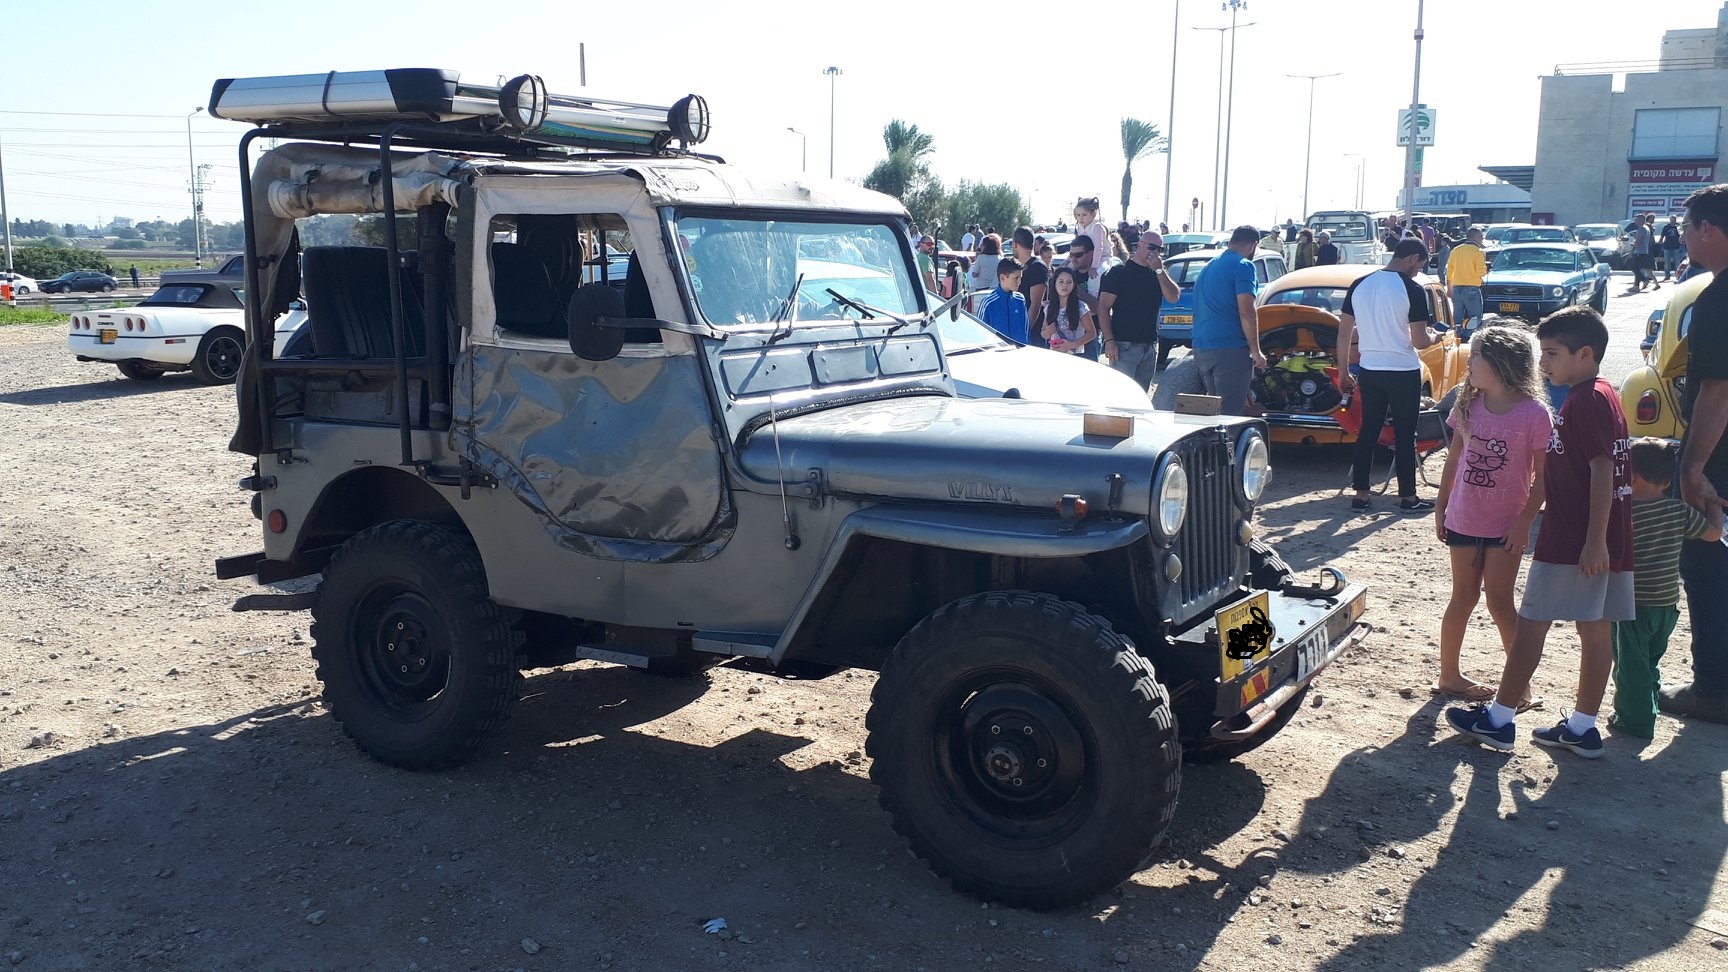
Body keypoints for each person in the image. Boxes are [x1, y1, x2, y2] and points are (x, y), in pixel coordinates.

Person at [1445, 307, 1633, 758]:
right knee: (1594, 629)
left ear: (1584, 354)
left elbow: (1602, 469)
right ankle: (1582, 728)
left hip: (1574, 539)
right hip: (1598, 538)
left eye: (1551, 353)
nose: (1543, 363)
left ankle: (1498, 720)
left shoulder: (1585, 401)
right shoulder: (1605, 393)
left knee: (1530, 624)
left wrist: (1593, 540)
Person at [1432, 326, 1554, 702]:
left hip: (1506, 528)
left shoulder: (1535, 414)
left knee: (1500, 603)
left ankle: (1519, 686)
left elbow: (1544, 480)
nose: (1469, 361)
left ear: (1501, 363)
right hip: (1464, 519)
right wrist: (1441, 506)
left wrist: (1524, 523)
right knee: (1462, 597)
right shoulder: (1468, 405)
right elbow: (1454, 458)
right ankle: (1449, 676)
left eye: (1476, 355)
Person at [1662, 183, 1728, 724]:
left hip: (1720, 459)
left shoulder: (1720, 298)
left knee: (1707, 565)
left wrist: (1692, 467)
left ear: (1708, 228)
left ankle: (1713, 689)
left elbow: (1718, 389)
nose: (1683, 237)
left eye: (1687, 227)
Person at [1613, 439, 1724, 737]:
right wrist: (1714, 505)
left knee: (1630, 665)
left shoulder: (1623, 513)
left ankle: (1634, 721)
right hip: (1666, 605)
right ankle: (1649, 703)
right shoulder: (1678, 511)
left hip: (1633, 603)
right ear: (1668, 480)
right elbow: (1714, 534)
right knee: (1650, 660)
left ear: (1632, 476)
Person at [1336, 239, 1439, 512]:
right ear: (1413, 258)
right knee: (1405, 435)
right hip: (1403, 370)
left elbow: (1344, 333)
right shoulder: (1412, 289)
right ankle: (1408, 497)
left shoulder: (1359, 284)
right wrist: (1435, 337)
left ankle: (1361, 494)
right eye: (1420, 265)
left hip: (1370, 369)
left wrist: (1343, 370)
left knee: (1368, 431)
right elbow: (1419, 341)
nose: (1418, 271)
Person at [1190, 226, 1268, 415]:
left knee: (1213, 413)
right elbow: (1247, 311)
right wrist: (1256, 351)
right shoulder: (1243, 266)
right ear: (1253, 245)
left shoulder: (1209, 266)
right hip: (1229, 350)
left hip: (1202, 348)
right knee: (1230, 415)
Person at [1098, 232, 1181, 391]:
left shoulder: (1157, 274)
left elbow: (1174, 297)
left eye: (1160, 249)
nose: (1155, 252)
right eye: (1152, 247)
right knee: (1121, 395)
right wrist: (1109, 341)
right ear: (1140, 245)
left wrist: (1160, 270)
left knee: (1142, 395)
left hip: (1149, 345)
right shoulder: (1119, 272)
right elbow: (1103, 308)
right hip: (1124, 345)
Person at [1041, 266, 1097, 355]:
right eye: (1061, 282)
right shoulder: (1049, 308)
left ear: (1074, 285)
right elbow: (1043, 332)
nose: (1065, 285)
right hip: (1055, 354)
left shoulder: (1081, 307)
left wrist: (1071, 345)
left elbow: (1092, 333)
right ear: (1054, 284)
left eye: (1069, 282)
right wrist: (1047, 332)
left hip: (1076, 355)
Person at [1445, 226, 1488, 341]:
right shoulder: (1478, 252)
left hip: (1456, 288)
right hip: (1472, 288)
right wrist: (1486, 268)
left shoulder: (1456, 250)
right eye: (1480, 236)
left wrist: (1449, 288)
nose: (1482, 238)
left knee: (1457, 315)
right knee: (1475, 316)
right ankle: (1467, 335)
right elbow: (1481, 272)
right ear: (1475, 237)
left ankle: (1457, 334)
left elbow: (1449, 271)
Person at [975, 256, 1028, 343]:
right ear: (1002, 278)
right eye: (1016, 278)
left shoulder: (1020, 300)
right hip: (997, 351)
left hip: (1019, 350)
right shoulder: (988, 303)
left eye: (1020, 278)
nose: (1019, 282)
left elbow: (1026, 330)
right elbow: (980, 333)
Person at [1010, 227, 1048, 336]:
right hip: (1015, 326)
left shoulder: (1037, 267)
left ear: (1015, 244)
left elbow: (1035, 305)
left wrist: (1024, 332)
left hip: (1032, 333)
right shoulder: (1017, 267)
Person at [1073, 197, 1111, 275]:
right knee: (1066, 270)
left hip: (1102, 258)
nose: (1081, 218)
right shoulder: (1080, 228)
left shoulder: (1097, 227)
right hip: (1087, 257)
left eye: (1084, 214)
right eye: (1078, 215)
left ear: (1093, 214)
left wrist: (1094, 267)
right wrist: (1067, 261)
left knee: (1095, 277)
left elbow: (1098, 248)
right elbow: (1076, 247)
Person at [1628, 213, 1658, 293]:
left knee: (1634, 268)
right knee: (1638, 269)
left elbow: (1639, 241)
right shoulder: (1646, 228)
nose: (1635, 221)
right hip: (1644, 251)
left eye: (1636, 219)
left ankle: (1644, 280)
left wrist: (1632, 249)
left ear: (1641, 220)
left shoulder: (1641, 229)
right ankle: (1636, 286)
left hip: (1639, 251)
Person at [967, 233, 1002, 299]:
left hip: (981, 288)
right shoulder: (999, 259)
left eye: (982, 245)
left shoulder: (980, 258)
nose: (981, 246)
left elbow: (975, 274)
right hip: (995, 288)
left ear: (986, 246)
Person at [1659, 214, 1683, 281]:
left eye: (1674, 219)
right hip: (1667, 247)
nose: (1673, 220)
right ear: (1670, 220)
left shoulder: (1678, 227)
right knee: (1667, 263)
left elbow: (1682, 235)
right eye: (1672, 219)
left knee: (1677, 262)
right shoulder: (1666, 227)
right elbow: (1662, 236)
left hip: (1676, 247)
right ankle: (1667, 276)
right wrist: (1660, 242)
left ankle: (1678, 275)